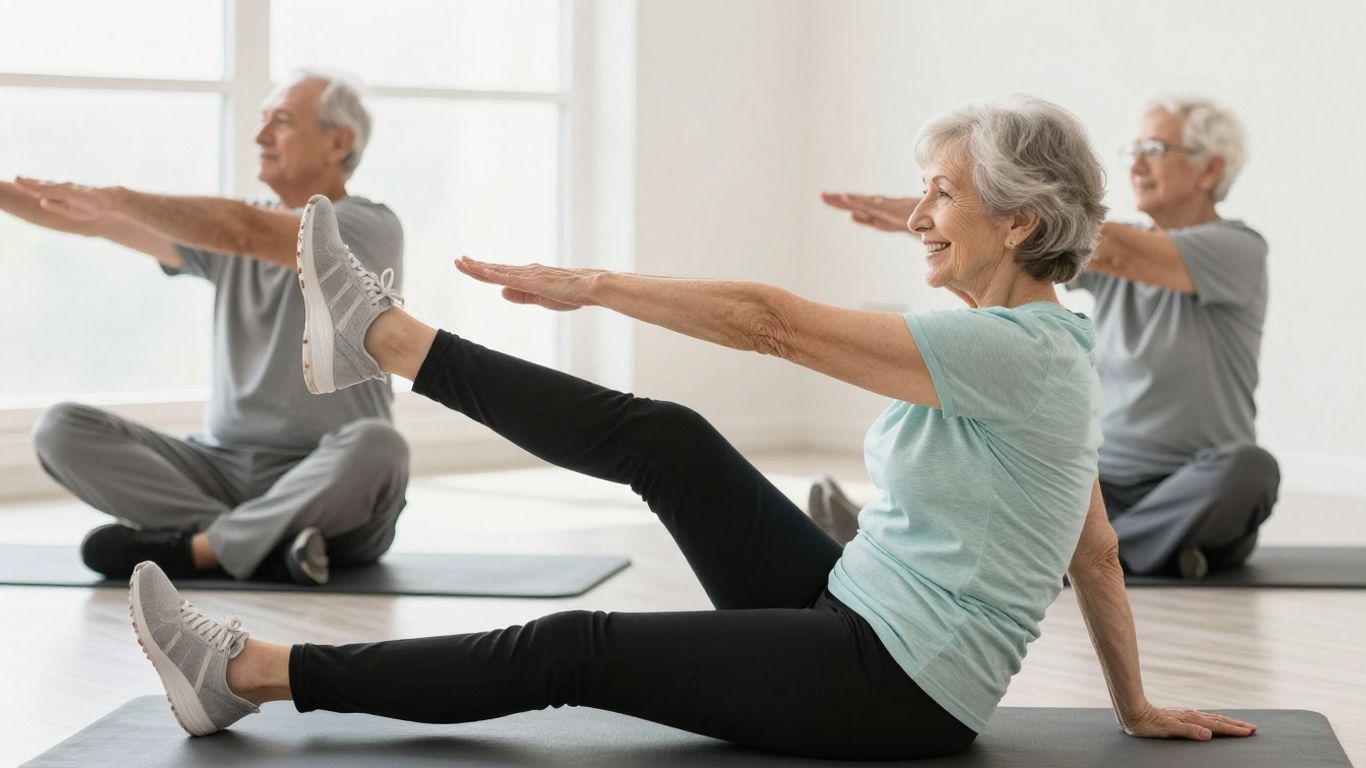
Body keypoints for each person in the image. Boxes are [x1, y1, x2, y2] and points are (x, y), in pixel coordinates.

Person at [127, 96, 1256, 760]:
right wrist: (1134, 706)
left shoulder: (1010, 352)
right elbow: (1093, 548)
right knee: (669, 439)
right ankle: (389, 344)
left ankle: (253, 674)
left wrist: (598, 286)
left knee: (576, 649)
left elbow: (767, 323)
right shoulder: (1046, 349)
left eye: (942, 195)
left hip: (896, 687)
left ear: (1016, 218)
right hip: (854, 605)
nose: (920, 217)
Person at [822, 95, 1277, 579]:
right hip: (1108, 480)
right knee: (1020, 456)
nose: (1138, 162)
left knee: (1250, 470)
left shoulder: (1238, 248)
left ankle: (1073, 555)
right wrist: (953, 217)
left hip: (1194, 484)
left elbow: (1114, 250)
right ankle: (1151, 550)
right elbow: (1048, 248)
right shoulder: (1117, 247)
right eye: (1134, 148)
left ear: (1210, 170)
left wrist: (976, 208)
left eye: (1156, 148)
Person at [4, 69, 408, 586]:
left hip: (328, 485)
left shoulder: (367, 227)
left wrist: (118, 197)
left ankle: (196, 547)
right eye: (261, 122)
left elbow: (243, 231)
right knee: (60, 428)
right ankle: (249, 546)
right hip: (220, 472)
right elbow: (89, 219)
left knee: (379, 448)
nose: (260, 137)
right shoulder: (232, 230)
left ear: (338, 141)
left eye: (280, 122)